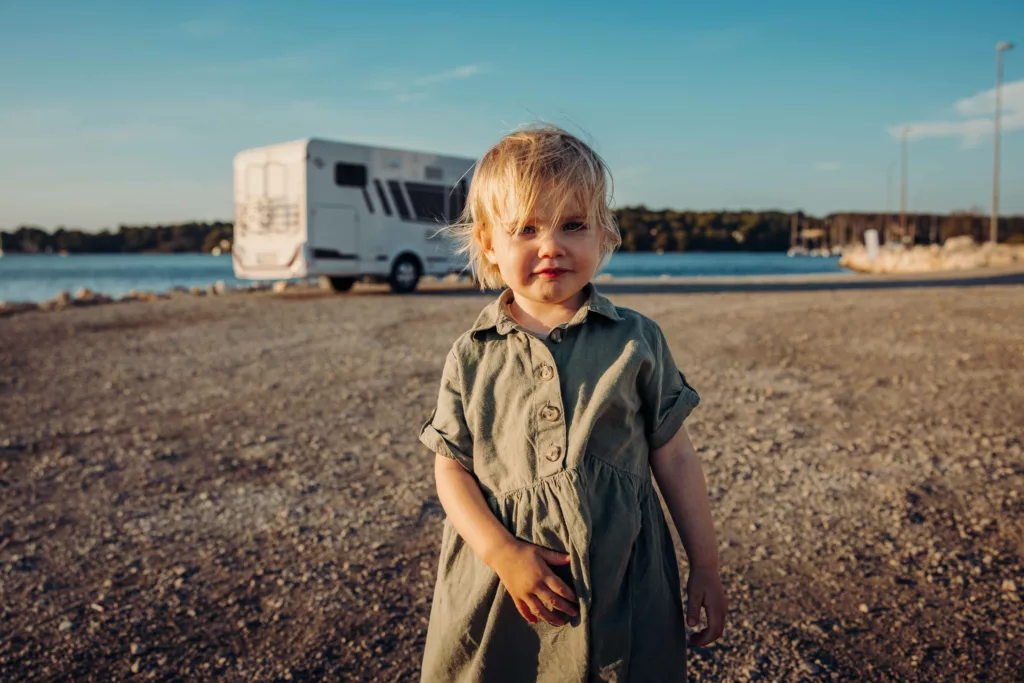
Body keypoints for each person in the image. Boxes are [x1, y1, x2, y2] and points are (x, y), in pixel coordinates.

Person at [418, 124, 726, 682]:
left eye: (573, 225)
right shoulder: (471, 356)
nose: (551, 245)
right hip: (503, 588)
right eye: (526, 229)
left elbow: (676, 458)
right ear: (488, 242)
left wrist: (704, 562)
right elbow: (451, 472)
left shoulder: (635, 339)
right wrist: (503, 552)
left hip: (623, 580)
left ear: (604, 235)